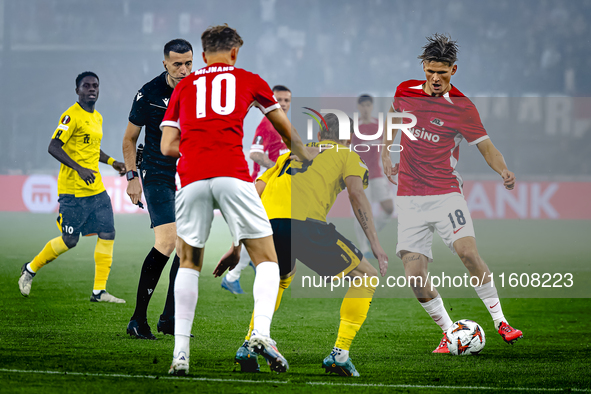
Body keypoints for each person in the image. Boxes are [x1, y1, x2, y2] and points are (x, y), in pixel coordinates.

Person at [160, 24, 312, 376]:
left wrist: (199, 146)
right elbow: (285, 131)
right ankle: (261, 333)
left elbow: (167, 147)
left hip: (193, 178)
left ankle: (180, 355)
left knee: (188, 262)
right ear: (234, 52)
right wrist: (306, 156)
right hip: (232, 174)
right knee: (268, 260)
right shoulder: (248, 78)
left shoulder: (184, 86)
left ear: (202, 53)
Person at [215, 113, 389, 377]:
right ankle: (340, 355)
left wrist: (236, 244)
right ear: (349, 137)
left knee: (281, 277)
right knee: (366, 276)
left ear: (319, 135)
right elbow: (356, 194)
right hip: (305, 225)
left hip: (267, 225)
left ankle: (248, 346)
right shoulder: (347, 154)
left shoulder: (287, 155)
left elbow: (255, 193)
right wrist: (375, 244)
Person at [381, 33, 523, 353]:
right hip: (409, 198)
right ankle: (450, 331)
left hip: (445, 193)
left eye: (442, 72)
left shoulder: (462, 108)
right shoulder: (405, 90)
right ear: (423, 67)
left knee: (468, 253)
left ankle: (501, 321)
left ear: (453, 71)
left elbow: (486, 147)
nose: (434, 78)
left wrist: (502, 170)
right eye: (430, 70)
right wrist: (388, 151)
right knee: (415, 277)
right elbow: (394, 114)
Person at [18, 72, 126, 303]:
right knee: (70, 241)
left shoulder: (97, 117)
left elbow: (92, 149)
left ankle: (99, 291)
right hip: (73, 190)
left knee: (108, 232)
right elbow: (53, 146)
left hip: (95, 188)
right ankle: (29, 269)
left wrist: (111, 162)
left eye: (95, 85)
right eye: (86, 86)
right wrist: (79, 168)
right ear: (77, 90)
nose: (91, 89)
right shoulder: (70, 116)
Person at [122, 39, 193, 340]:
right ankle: (138, 320)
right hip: (157, 173)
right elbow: (129, 139)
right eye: (177, 64)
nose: (184, 69)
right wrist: (131, 177)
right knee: (167, 241)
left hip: (188, 174)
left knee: (186, 245)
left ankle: (169, 319)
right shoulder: (148, 94)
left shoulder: (199, 91)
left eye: (189, 63)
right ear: (164, 63)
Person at [220, 84, 292, 295]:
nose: (284, 104)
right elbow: (255, 154)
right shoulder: (268, 124)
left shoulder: (283, 125)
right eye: (279, 100)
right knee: (258, 233)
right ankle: (233, 276)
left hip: (274, 189)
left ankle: (243, 271)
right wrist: (279, 168)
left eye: (287, 100)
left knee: (260, 233)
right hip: (262, 187)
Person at [350, 94, 395, 259]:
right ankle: (364, 248)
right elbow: (347, 150)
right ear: (358, 107)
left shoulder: (379, 126)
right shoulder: (354, 128)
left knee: (389, 208)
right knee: (363, 211)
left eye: (368, 105)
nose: (365, 108)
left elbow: (386, 148)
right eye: (363, 105)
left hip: (377, 174)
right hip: (360, 176)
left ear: (372, 106)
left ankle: (371, 234)